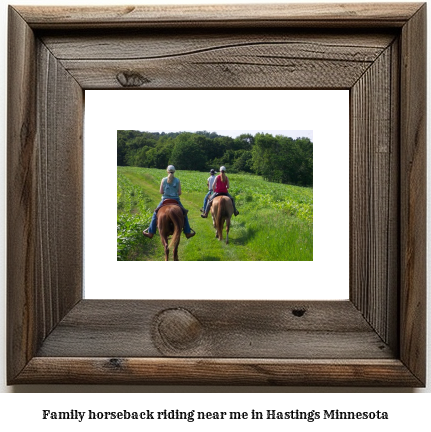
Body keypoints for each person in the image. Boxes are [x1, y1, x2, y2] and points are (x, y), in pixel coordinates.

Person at [143, 165, 195, 239]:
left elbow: (161, 191)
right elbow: (179, 193)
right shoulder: (177, 180)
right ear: (174, 171)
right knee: (184, 213)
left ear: (167, 171)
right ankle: (187, 232)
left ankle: (151, 232)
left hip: (165, 200)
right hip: (175, 200)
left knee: (155, 213)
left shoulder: (163, 180)